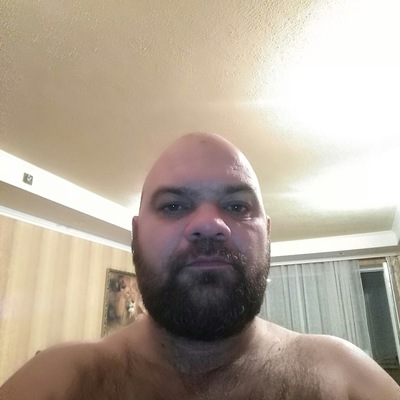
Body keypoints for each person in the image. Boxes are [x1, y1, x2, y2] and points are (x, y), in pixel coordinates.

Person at [0, 133, 399, 399]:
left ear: (267, 233)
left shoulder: (344, 376)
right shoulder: (57, 381)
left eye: (237, 206)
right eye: (173, 205)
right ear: (136, 236)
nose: (210, 224)